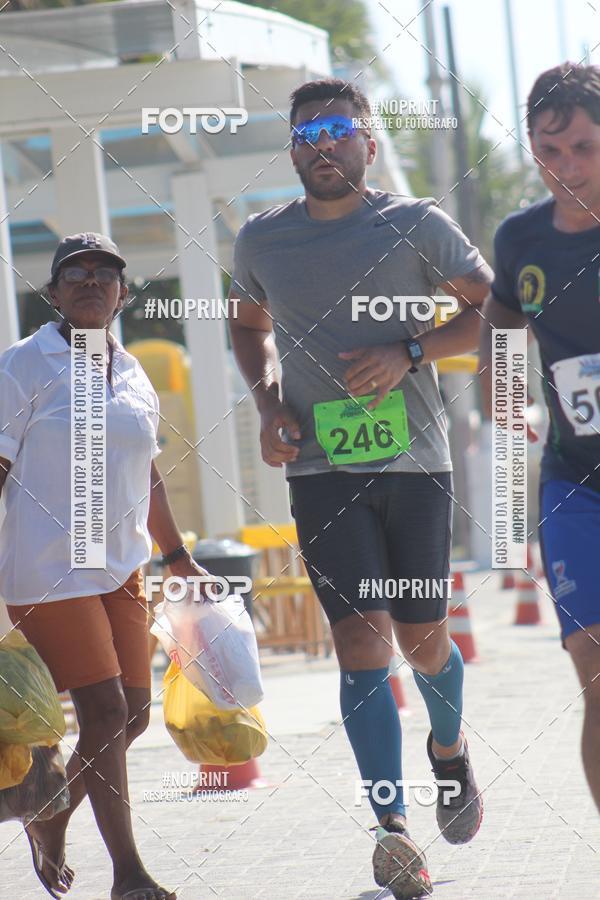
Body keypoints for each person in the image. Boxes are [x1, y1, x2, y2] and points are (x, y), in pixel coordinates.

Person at [228, 79, 492, 899]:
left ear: (368, 143)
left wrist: (411, 352)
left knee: (422, 641)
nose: (322, 143)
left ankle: (447, 752)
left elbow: (493, 311)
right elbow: (246, 325)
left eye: (339, 129)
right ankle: (393, 829)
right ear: (293, 148)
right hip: (320, 472)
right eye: (305, 132)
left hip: (416, 466)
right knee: (360, 645)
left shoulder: (417, 223)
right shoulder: (262, 239)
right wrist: (269, 402)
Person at [0, 233, 207, 899]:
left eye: (105, 274)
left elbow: (146, 475)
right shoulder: (23, 365)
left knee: (133, 715)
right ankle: (130, 876)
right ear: (54, 293)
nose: (91, 282)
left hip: (122, 568)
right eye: (75, 274)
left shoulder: (135, 372)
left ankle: (49, 820)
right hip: (48, 567)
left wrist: (177, 555)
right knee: (103, 707)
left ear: (123, 293)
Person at [480, 63, 600, 812]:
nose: (569, 168)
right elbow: (498, 318)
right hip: (574, 484)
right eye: (551, 153)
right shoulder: (521, 237)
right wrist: (505, 390)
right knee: (594, 671)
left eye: (585, 147)